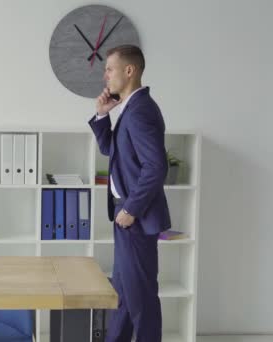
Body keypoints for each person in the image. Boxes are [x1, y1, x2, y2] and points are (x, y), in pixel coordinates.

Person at [88, 44, 171, 342]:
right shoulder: (130, 108)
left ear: (129, 70)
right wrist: (101, 116)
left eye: (109, 69)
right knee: (122, 296)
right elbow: (112, 151)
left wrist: (131, 210)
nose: (105, 76)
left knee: (142, 300)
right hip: (127, 217)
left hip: (134, 217)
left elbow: (156, 167)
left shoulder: (140, 111)